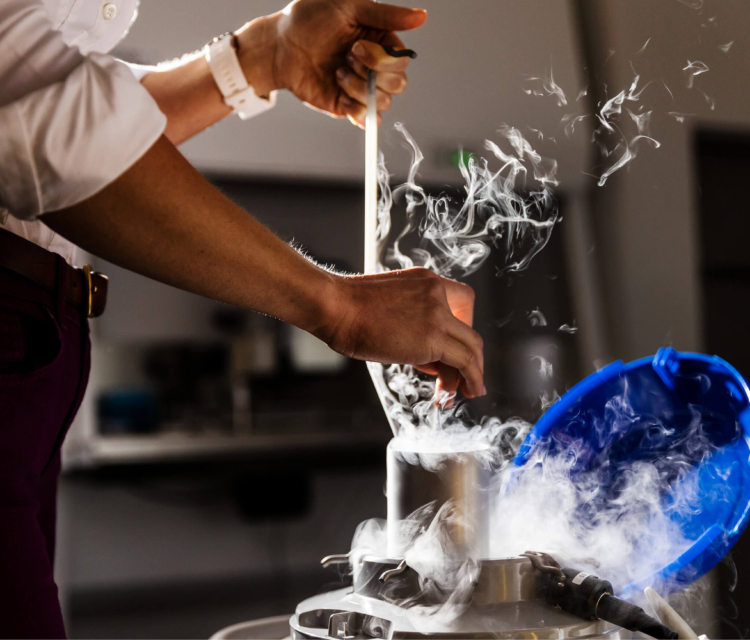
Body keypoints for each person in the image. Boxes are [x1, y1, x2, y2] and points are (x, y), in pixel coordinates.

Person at [0, 0, 485, 635]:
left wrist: (262, 58)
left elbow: (54, 108)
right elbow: (33, 121)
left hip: (35, 356)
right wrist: (335, 302)